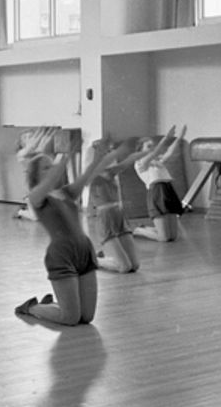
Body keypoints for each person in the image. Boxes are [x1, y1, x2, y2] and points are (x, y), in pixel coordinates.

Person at [14, 139, 131, 325]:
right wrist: (66, 158)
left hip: (84, 250)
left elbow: (88, 175)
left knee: (86, 318)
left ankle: (53, 303)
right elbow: (51, 179)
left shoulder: (66, 192)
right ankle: (31, 307)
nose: (51, 170)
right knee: (70, 318)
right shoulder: (36, 196)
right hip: (62, 255)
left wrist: (99, 156)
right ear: (35, 174)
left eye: (51, 166)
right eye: (46, 168)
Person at [89, 139, 141, 273]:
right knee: (125, 267)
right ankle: (93, 260)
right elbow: (126, 163)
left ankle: (105, 257)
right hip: (106, 219)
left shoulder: (112, 171)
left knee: (134, 266)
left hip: (119, 216)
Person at [131, 125, 186, 242]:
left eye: (152, 146)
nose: (152, 148)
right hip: (157, 192)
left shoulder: (156, 161)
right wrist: (166, 138)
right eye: (148, 146)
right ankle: (139, 230)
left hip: (168, 190)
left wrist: (179, 137)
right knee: (164, 238)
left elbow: (169, 153)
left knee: (173, 236)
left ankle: (145, 228)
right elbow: (155, 152)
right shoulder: (140, 163)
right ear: (140, 150)